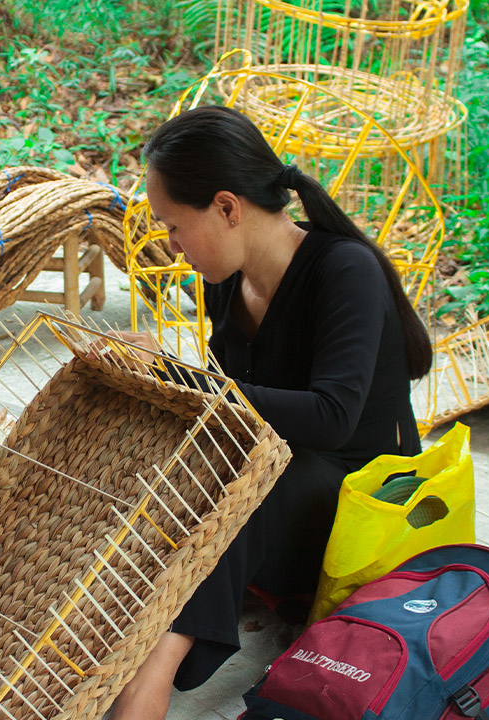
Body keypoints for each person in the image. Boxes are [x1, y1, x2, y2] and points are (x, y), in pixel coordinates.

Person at [106, 106, 432, 719]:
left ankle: (151, 672)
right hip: (283, 478)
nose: (172, 247)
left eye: (176, 226)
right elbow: (238, 407)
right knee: (182, 470)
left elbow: (330, 417)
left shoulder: (343, 270)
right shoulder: (225, 277)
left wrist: (181, 379)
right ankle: (130, 624)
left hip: (362, 499)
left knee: (247, 487)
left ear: (228, 207)